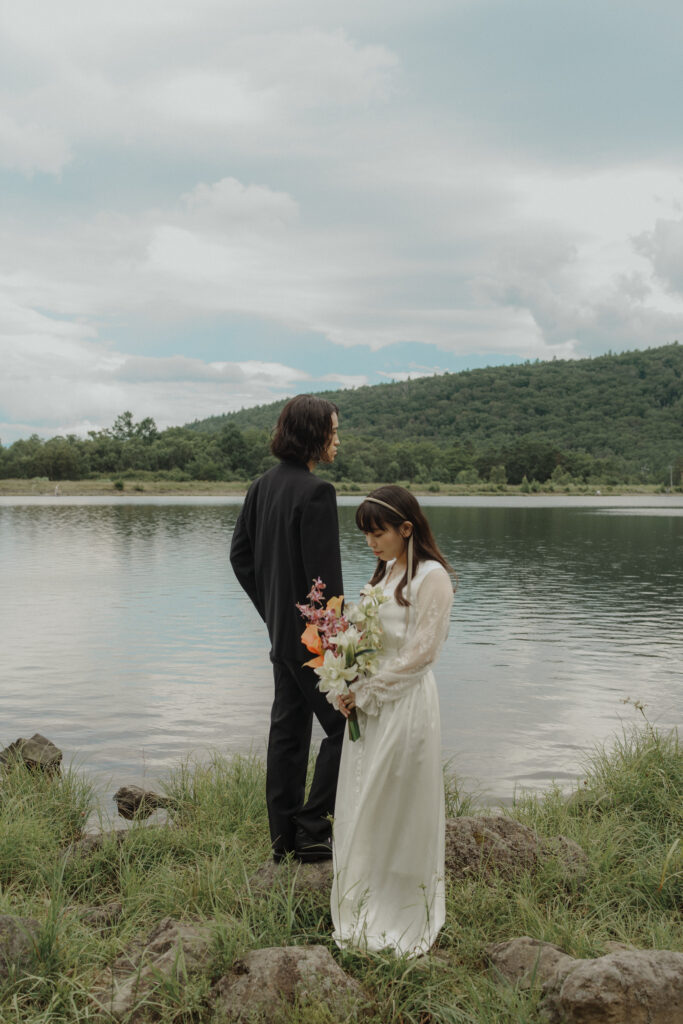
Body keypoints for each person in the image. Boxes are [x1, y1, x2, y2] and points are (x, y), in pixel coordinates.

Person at [331, 485, 454, 956]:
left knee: (397, 802)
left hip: (404, 706)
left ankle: (402, 906)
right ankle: (362, 896)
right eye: (365, 533)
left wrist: (368, 689)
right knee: (365, 801)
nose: (370, 542)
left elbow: (423, 654)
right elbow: (364, 639)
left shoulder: (431, 577)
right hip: (369, 707)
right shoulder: (384, 575)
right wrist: (345, 681)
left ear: (407, 528)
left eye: (378, 532)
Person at [230, 394, 344, 863]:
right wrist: (335, 647)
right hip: (312, 642)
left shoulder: (261, 486)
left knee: (289, 735)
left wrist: (275, 613)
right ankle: (313, 829)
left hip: (282, 637)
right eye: (334, 431)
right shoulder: (318, 493)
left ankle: (283, 841)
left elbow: (240, 558)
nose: (338, 439)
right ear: (314, 434)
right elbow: (325, 584)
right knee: (349, 727)